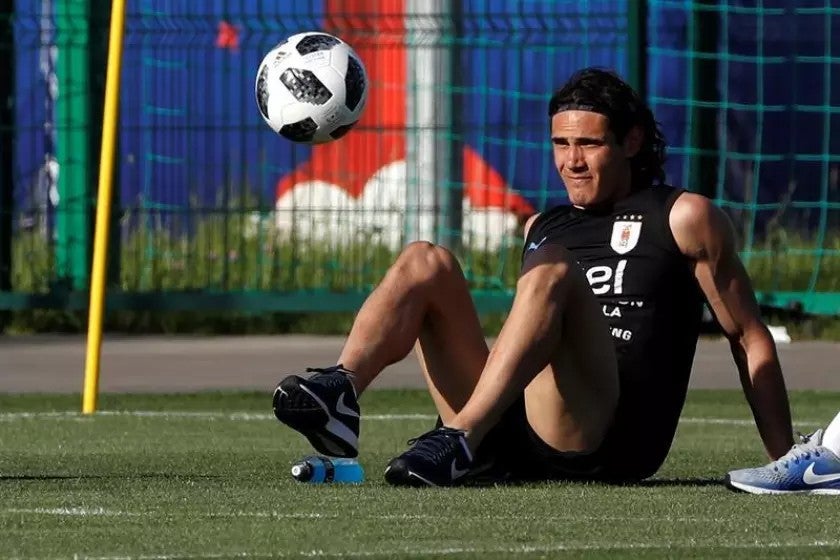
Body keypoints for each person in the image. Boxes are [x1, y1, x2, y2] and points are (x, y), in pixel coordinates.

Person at [271, 67, 840, 492]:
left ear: (632, 142)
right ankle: (342, 391)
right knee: (426, 260)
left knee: (554, 269)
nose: (571, 160)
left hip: (606, 437)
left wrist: (782, 458)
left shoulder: (683, 216)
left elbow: (748, 336)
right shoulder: (547, 224)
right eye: (560, 144)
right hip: (521, 421)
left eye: (588, 144)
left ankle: (460, 439)